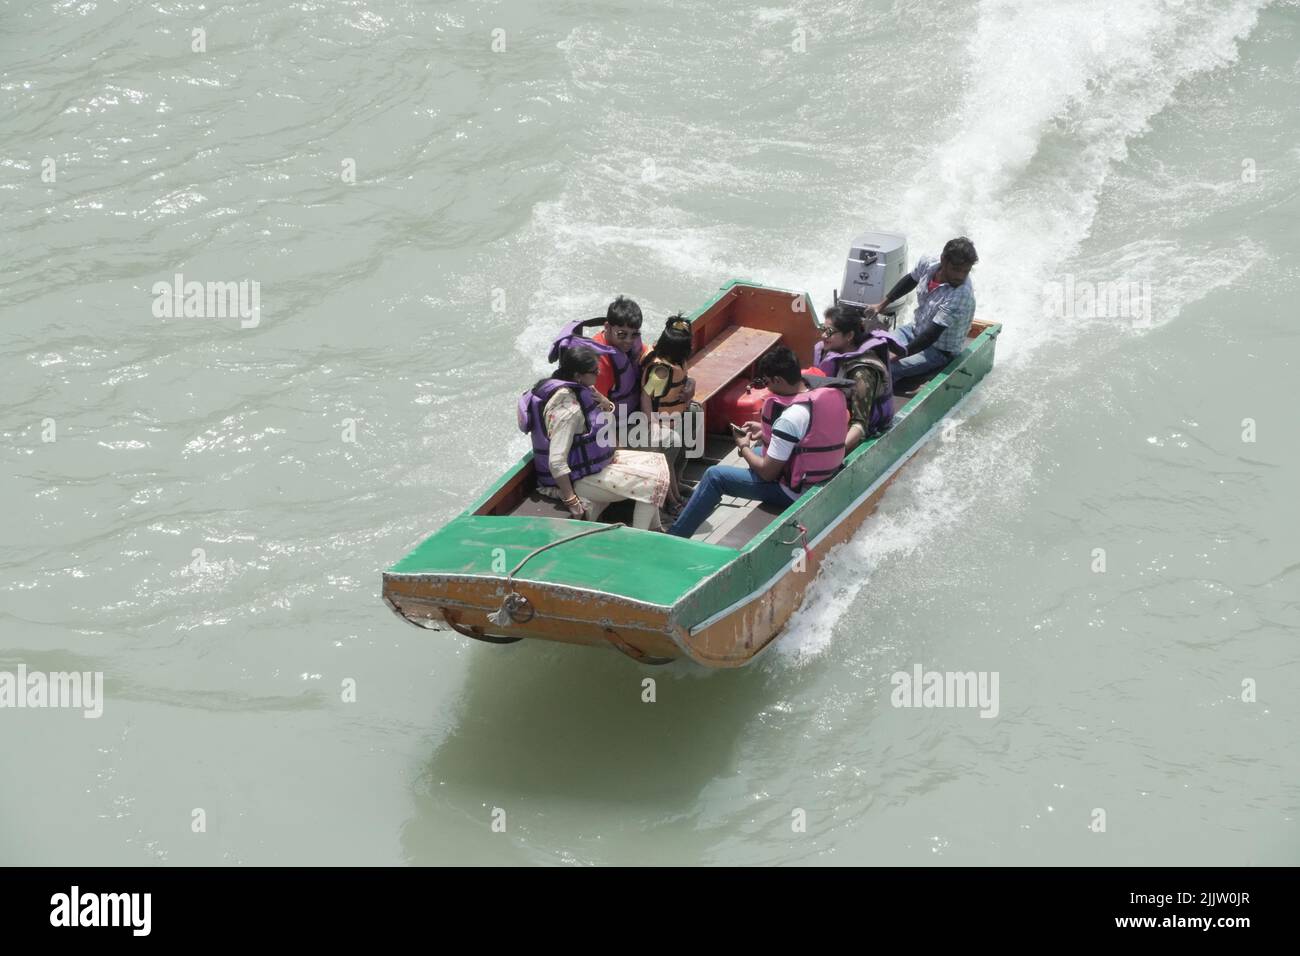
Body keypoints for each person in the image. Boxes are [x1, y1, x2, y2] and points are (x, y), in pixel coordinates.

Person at [668, 346, 849, 538]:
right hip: (823, 474)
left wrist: (742, 446)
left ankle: (675, 535)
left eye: (767, 382)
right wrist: (764, 432)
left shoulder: (789, 418)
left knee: (715, 476)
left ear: (778, 380)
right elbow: (810, 437)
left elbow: (767, 473)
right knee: (758, 451)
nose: (766, 388)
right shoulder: (821, 394)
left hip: (795, 492)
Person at [517, 345, 670, 531]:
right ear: (577, 375)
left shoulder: (583, 390)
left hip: (596, 465)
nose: (599, 373)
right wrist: (571, 500)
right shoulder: (567, 410)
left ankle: (656, 530)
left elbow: (602, 421)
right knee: (653, 482)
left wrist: (607, 405)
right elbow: (556, 462)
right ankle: (640, 537)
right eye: (594, 371)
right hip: (579, 479)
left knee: (658, 463)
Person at [867, 236, 978, 385]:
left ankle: (879, 402)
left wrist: (900, 354)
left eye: (966, 271)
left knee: (887, 368)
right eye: (956, 269)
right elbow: (911, 280)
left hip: (938, 350)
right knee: (870, 350)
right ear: (943, 260)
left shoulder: (961, 294)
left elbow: (931, 335)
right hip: (913, 330)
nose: (960, 276)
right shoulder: (928, 262)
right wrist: (881, 305)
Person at [815, 304, 907, 452]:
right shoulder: (829, 351)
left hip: (858, 432)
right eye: (822, 329)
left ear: (849, 336)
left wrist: (833, 453)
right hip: (833, 417)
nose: (823, 336)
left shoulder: (862, 374)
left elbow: (859, 426)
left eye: (829, 331)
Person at [547, 296, 650, 419]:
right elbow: (598, 413)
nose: (628, 340)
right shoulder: (598, 364)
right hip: (615, 419)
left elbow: (645, 354)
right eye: (622, 334)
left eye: (634, 334)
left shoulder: (628, 344)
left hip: (635, 406)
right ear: (607, 327)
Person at [639, 313, 697, 513]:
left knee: (695, 415)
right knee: (667, 458)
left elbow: (685, 380)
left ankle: (677, 483)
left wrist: (691, 385)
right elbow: (646, 396)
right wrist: (652, 424)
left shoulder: (676, 362)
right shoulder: (662, 370)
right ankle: (672, 500)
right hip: (661, 421)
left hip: (675, 415)